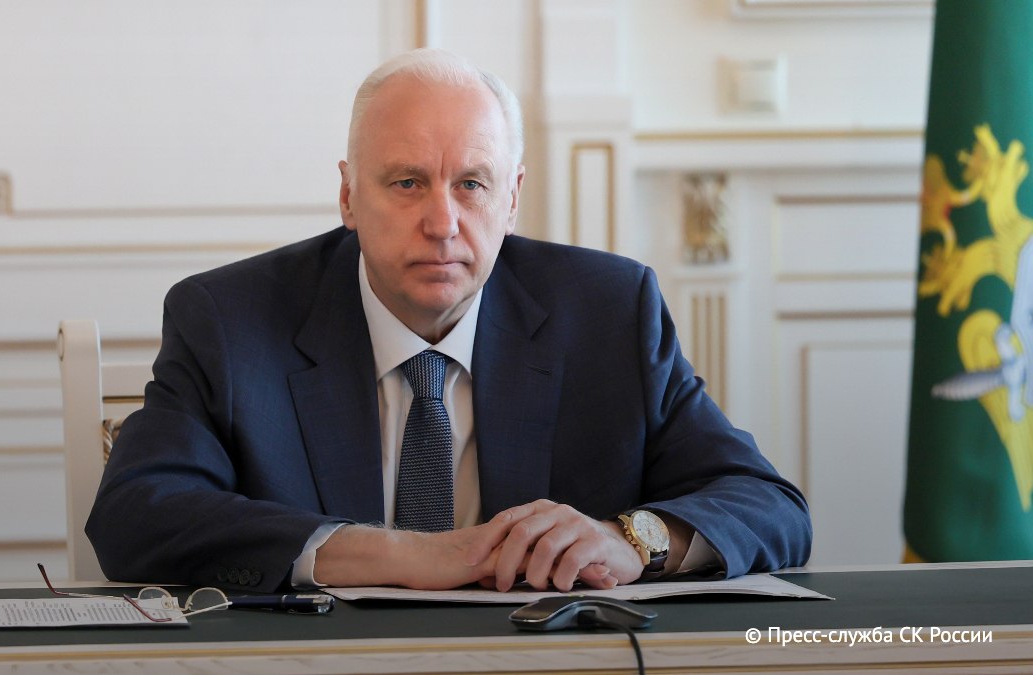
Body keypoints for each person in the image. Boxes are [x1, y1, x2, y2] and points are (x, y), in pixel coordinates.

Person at [87, 48, 811, 593]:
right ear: (347, 195)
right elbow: (136, 515)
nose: (443, 223)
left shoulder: (610, 311)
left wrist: (632, 539)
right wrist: (403, 554)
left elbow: (769, 505)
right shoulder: (228, 320)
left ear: (512, 198)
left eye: (472, 184)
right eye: (407, 183)